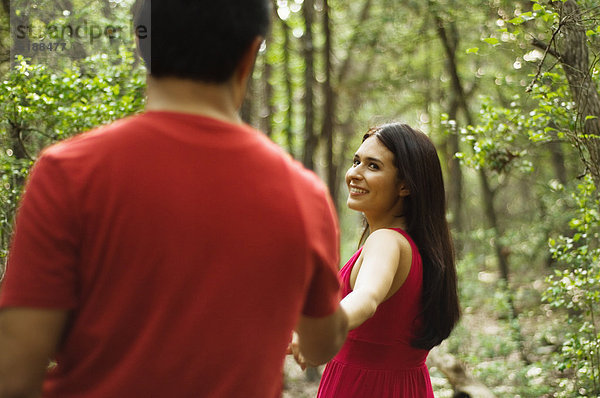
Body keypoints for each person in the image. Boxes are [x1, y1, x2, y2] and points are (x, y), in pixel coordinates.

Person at [0, 1, 348, 397]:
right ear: (251, 53)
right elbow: (321, 343)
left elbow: (14, 373)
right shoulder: (304, 194)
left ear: (140, 43)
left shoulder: (69, 172)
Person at [290, 123, 460, 397]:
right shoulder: (418, 246)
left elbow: (366, 298)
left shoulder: (386, 241)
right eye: (356, 161)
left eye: (373, 166)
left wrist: (323, 326)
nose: (354, 173)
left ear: (405, 185)